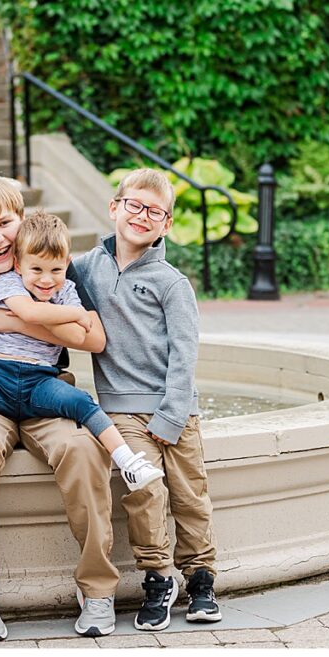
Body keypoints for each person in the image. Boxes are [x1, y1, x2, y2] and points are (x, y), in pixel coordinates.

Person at [0, 176, 121, 642]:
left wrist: (22, 322)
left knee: (83, 448)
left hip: (45, 391)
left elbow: (94, 339)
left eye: (4, 223)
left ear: (20, 220)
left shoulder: (50, 261)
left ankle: (98, 588)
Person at [0, 211, 164, 513]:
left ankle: (129, 462)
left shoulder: (66, 289)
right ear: (18, 264)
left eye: (56, 270)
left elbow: (85, 336)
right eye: (36, 269)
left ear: (66, 263)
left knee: (83, 403)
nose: (47, 280)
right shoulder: (8, 283)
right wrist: (76, 315)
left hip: (40, 379)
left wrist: (57, 318)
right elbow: (34, 313)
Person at [72, 167, 222, 630]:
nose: (141, 216)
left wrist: (173, 413)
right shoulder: (83, 269)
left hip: (175, 406)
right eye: (133, 205)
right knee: (144, 492)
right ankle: (158, 577)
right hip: (120, 407)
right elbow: (42, 275)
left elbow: (185, 351)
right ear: (114, 207)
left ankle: (199, 578)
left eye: (154, 211)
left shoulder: (171, 282)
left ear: (167, 224)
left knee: (189, 495)